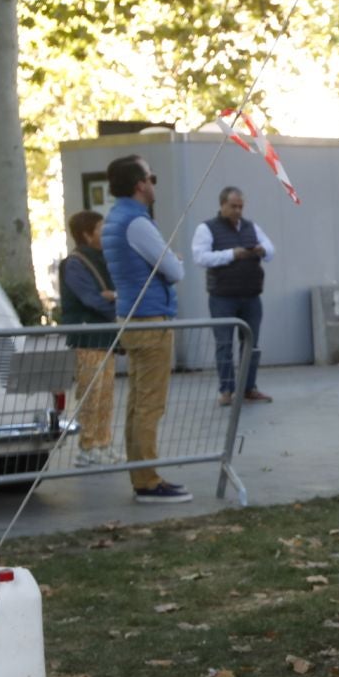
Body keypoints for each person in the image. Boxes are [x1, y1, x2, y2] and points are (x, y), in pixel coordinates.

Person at [101, 154, 192, 504]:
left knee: (138, 404)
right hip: (150, 320)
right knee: (150, 404)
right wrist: (175, 260)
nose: (154, 184)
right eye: (152, 177)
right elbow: (174, 269)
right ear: (140, 184)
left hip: (130, 316)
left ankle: (141, 475)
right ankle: (148, 479)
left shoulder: (117, 218)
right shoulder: (137, 222)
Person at [191, 186, 275, 406]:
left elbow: (271, 249)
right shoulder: (206, 228)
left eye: (241, 206)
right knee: (224, 344)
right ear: (222, 205)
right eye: (233, 206)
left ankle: (249, 388)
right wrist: (232, 254)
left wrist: (261, 250)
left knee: (252, 344)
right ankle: (226, 389)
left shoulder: (251, 227)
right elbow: (200, 257)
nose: (238, 211)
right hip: (222, 297)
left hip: (251, 296)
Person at [56, 210, 121, 467]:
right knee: (90, 393)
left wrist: (111, 296)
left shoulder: (102, 259)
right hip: (86, 337)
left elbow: (107, 295)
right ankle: (87, 446)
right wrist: (113, 300)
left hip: (104, 336)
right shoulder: (74, 263)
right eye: (101, 230)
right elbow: (91, 298)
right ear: (87, 234)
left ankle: (103, 443)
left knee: (106, 393)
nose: (105, 235)